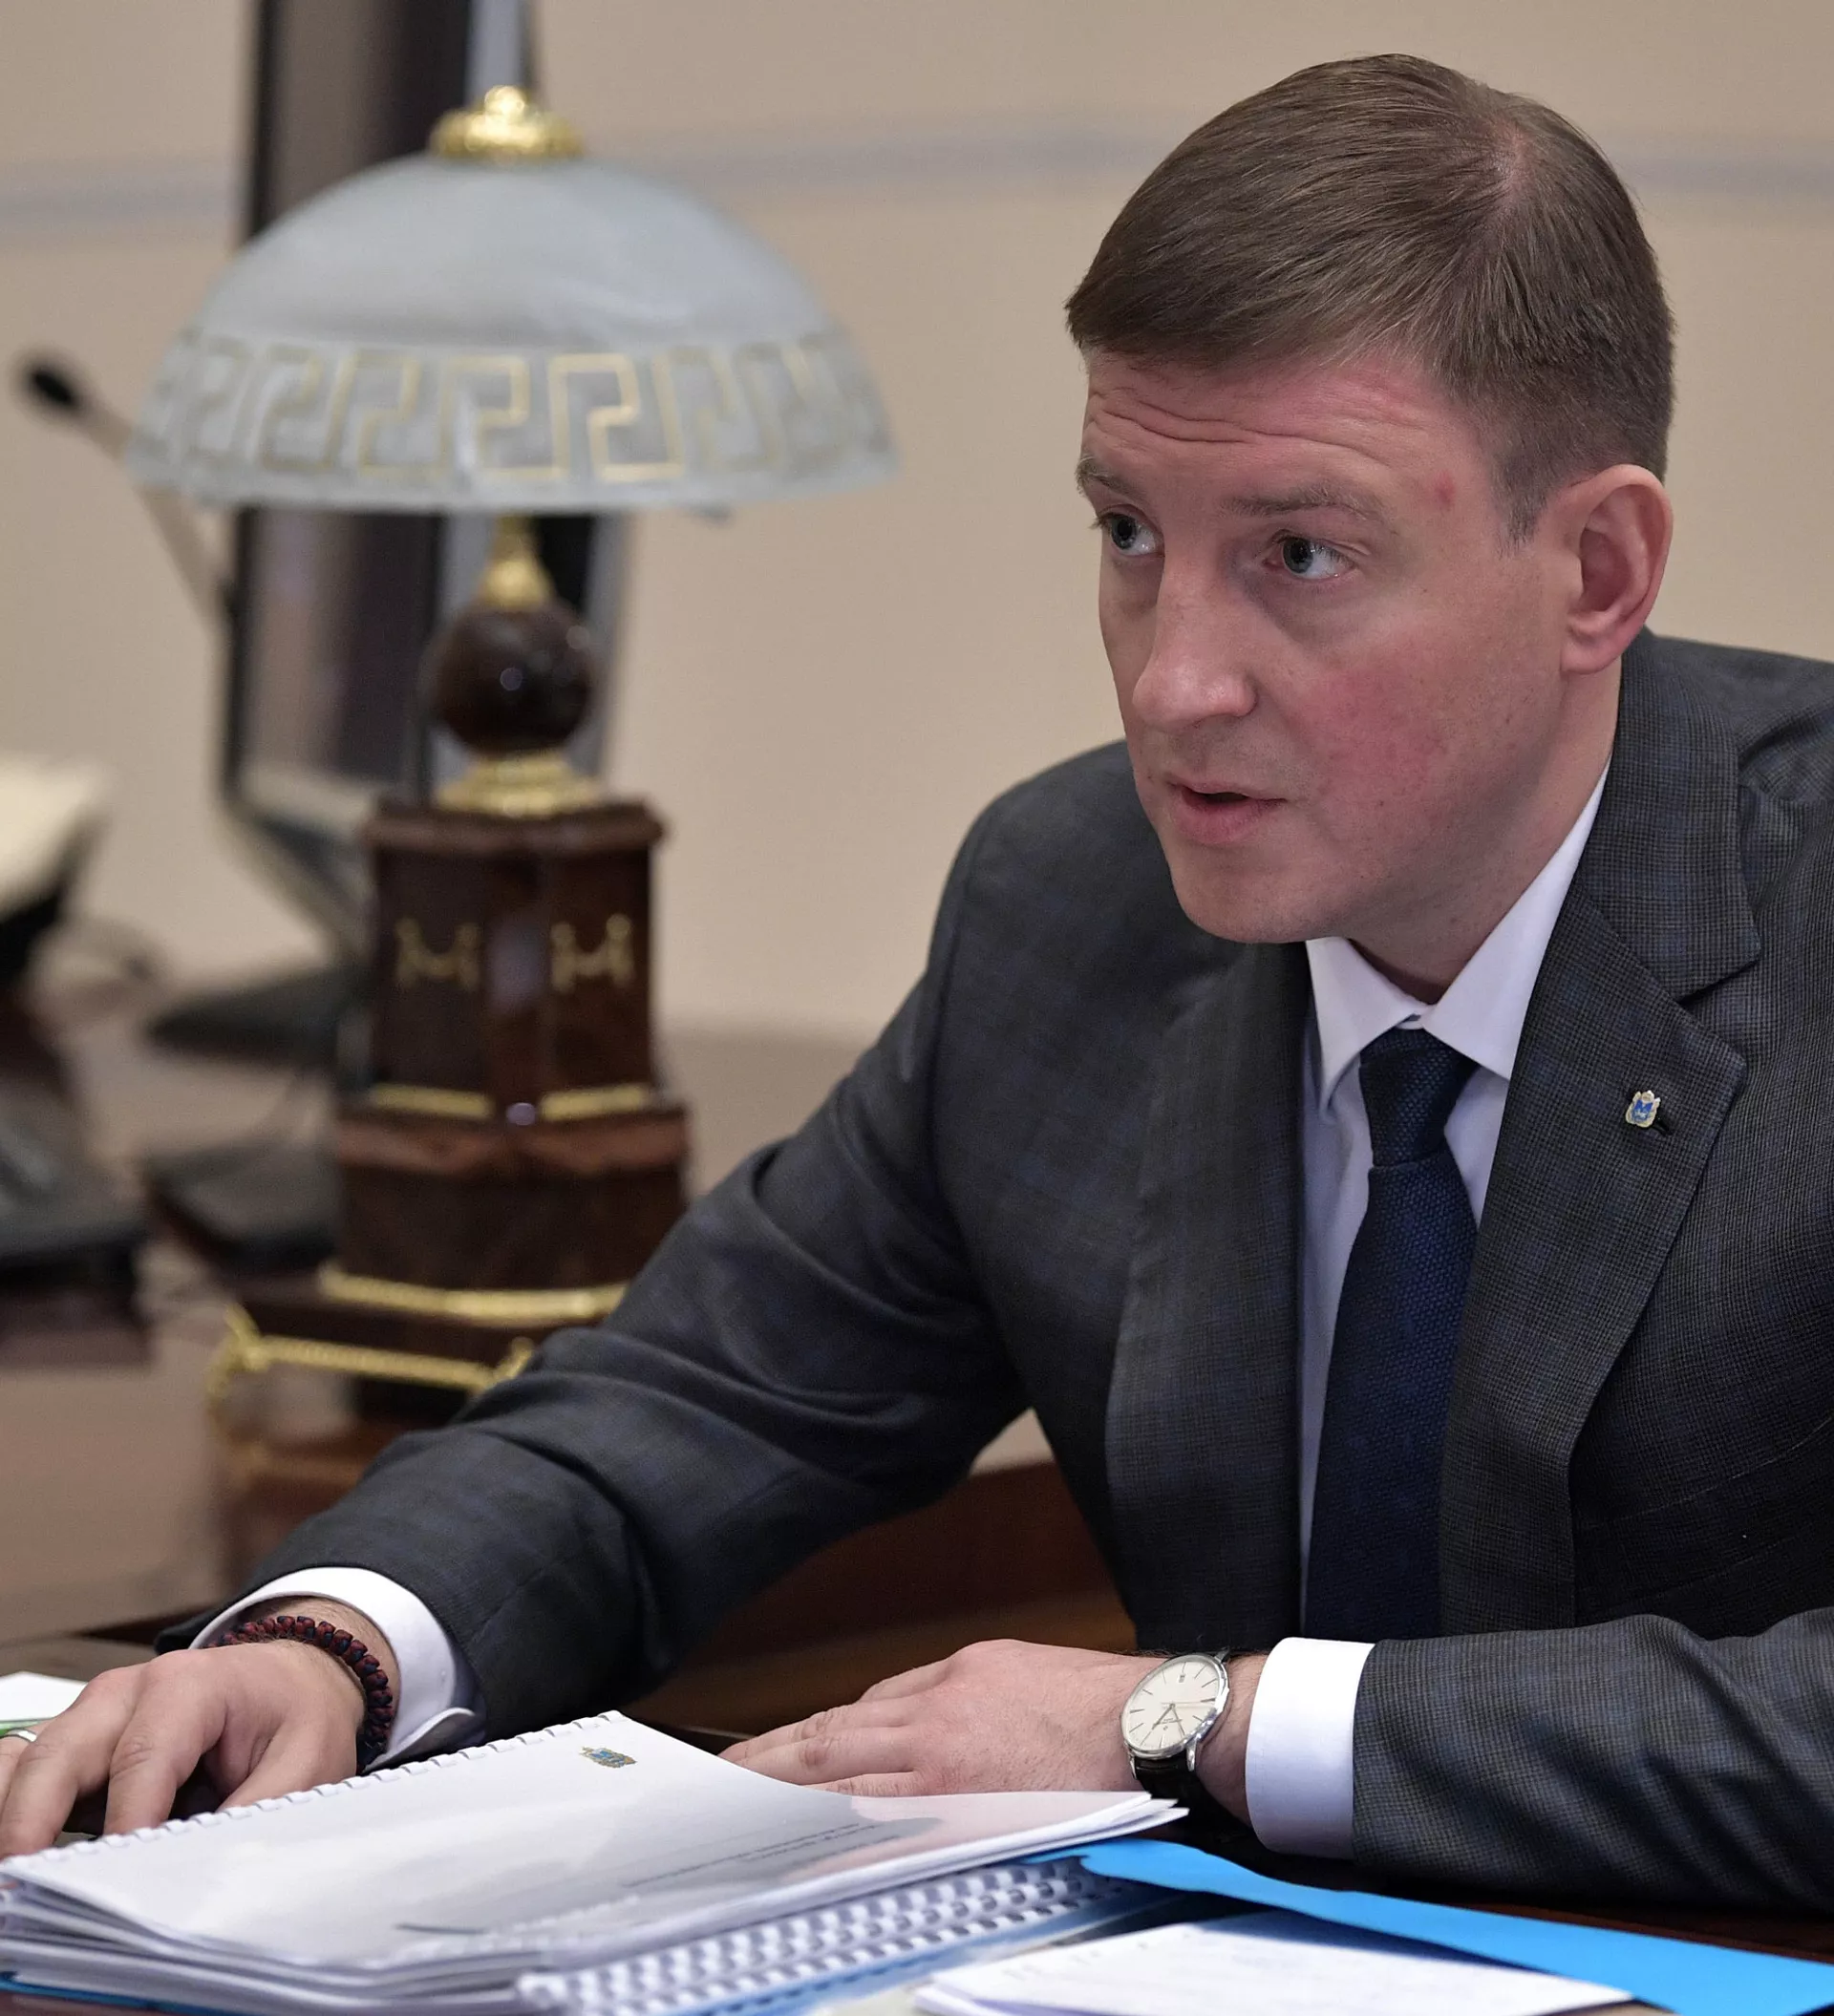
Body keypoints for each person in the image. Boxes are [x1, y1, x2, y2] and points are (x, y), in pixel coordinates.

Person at [7, 50, 1834, 1908]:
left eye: (1301, 554)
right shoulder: (1074, 904)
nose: (1171, 679)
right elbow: (702, 1397)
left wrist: (1191, 1719)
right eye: (1130, 534)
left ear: (1596, 569)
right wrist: (331, 1643)